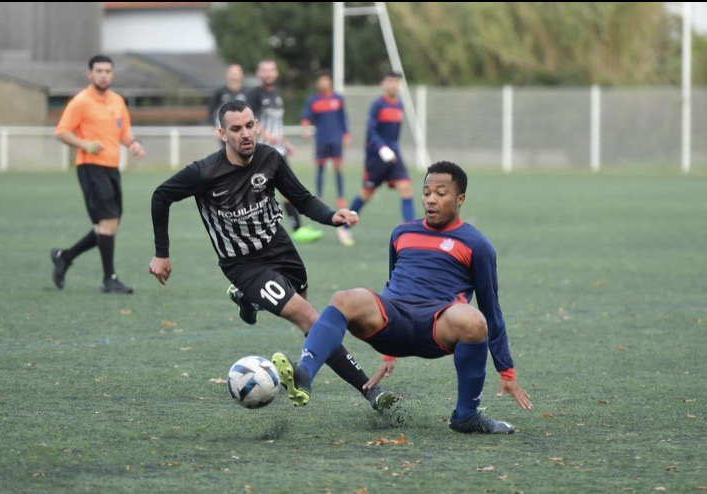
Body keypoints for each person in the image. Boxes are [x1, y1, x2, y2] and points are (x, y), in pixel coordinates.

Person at [148, 100, 397, 411]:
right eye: (236, 129)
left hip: (279, 247)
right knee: (311, 319)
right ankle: (369, 391)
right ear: (222, 134)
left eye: (249, 125)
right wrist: (161, 254)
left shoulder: (270, 158)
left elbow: (301, 199)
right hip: (244, 265)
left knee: (309, 316)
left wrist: (332, 216)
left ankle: (249, 300)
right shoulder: (205, 172)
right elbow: (161, 196)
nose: (245, 134)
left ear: (257, 126)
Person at [273, 161, 533, 434]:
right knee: (343, 298)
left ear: (460, 199)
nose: (431, 200)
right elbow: (393, 287)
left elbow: (492, 311)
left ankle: (466, 416)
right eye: (426, 193)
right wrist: (389, 352)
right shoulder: (402, 233)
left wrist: (507, 371)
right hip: (393, 319)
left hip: (437, 325)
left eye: (440, 194)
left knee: (475, 320)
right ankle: (304, 373)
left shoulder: (477, 245)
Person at [51, 54, 145, 294]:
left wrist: (133, 143)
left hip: (112, 167)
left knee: (109, 226)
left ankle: (64, 257)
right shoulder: (81, 101)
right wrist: (86, 145)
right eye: (99, 71)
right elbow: (61, 132)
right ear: (90, 74)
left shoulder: (117, 101)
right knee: (108, 222)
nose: (103, 75)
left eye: (107, 71)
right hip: (90, 166)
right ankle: (108, 279)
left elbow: (124, 132)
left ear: (112, 74)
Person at [248, 59, 323, 244]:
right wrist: (265, 134)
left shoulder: (276, 95)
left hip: (279, 150)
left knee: (288, 189)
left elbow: (277, 124)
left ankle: (298, 229)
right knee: (259, 191)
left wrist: (285, 141)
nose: (268, 73)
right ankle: (253, 229)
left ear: (276, 73)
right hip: (262, 150)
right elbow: (249, 120)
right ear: (259, 73)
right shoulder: (254, 94)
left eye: (271, 70)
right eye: (264, 70)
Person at [338, 71, 415, 247]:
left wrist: (392, 150)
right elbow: (371, 131)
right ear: (383, 84)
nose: (393, 85)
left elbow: (395, 134)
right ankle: (344, 226)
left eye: (396, 82)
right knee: (366, 194)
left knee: (406, 189)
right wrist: (382, 148)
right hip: (376, 158)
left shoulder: (400, 105)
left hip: (394, 156)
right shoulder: (377, 105)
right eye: (390, 81)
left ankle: (410, 234)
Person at [300, 70, 351, 210]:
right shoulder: (312, 100)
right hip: (321, 139)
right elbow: (306, 118)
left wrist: (346, 134)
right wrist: (305, 130)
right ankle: (319, 196)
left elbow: (343, 118)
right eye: (320, 81)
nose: (323, 83)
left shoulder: (338, 99)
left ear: (330, 82)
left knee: (338, 168)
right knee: (320, 168)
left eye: (325, 80)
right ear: (317, 83)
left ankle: (341, 197)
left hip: (336, 139)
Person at [208, 64, 248, 141]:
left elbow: (252, 112)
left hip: (242, 130)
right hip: (225, 130)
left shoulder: (246, 93)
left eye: (236, 74)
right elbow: (211, 110)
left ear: (241, 75)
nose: (234, 76)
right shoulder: (220, 92)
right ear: (227, 75)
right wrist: (215, 127)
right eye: (232, 74)